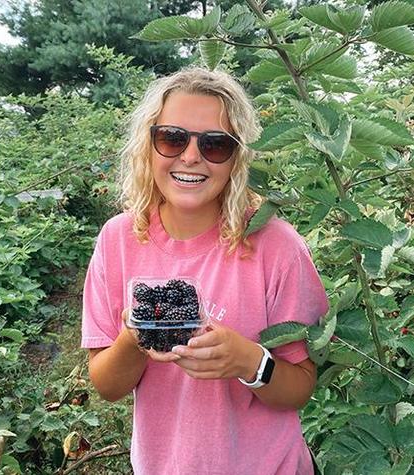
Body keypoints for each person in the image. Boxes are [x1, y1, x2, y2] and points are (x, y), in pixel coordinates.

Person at [81, 66, 329, 475]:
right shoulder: (119, 240)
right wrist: (136, 335)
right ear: (148, 145)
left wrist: (249, 361)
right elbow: (107, 385)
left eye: (216, 145)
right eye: (172, 138)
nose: (191, 156)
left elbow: (300, 387)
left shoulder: (276, 245)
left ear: (238, 157)